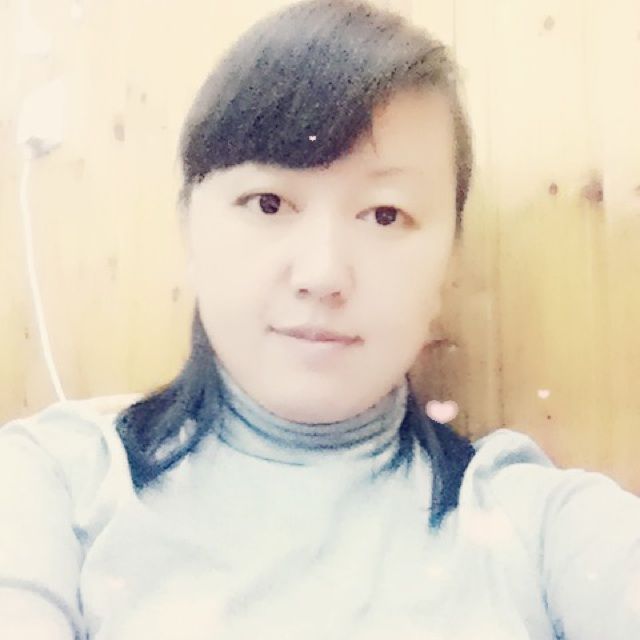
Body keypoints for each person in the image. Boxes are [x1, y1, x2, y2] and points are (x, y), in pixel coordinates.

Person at [1, 0, 639, 638]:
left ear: (448, 264)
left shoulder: (545, 530)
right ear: (189, 230)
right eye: (269, 203)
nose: (323, 273)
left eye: (385, 215)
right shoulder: (50, 483)